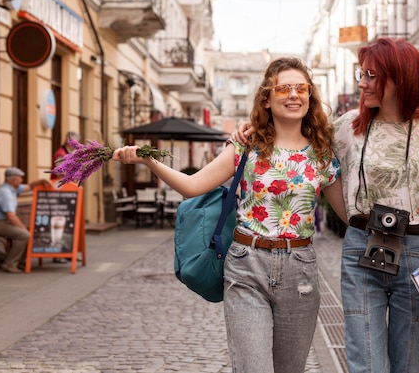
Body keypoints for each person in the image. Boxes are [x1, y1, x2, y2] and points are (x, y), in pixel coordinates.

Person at [234, 39, 419, 373]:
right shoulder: (347, 126)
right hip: (363, 249)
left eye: (371, 75)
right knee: (366, 364)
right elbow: (296, 132)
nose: (362, 83)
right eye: (362, 74)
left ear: (398, 77)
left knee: (409, 365)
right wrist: (253, 127)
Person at [114, 57, 348, 373]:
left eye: (300, 88)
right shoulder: (246, 147)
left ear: (310, 96)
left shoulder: (322, 154)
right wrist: (149, 162)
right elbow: (193, 186)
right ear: (267, 98)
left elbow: (350, 215)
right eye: (284, 88)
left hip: (300, 271)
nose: (293, 95)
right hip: (247, 264)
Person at [0, 167, 52, 273]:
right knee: (24, 235)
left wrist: (40, 181)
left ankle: (20, 262)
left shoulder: (13, 189)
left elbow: (30, 186)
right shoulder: (5, 193)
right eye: (20, 178)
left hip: (1, 221)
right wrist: (23, 229)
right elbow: (11, 216)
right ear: (13, 180)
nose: (21, 180)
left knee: (28, 232)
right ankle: (9, 264)